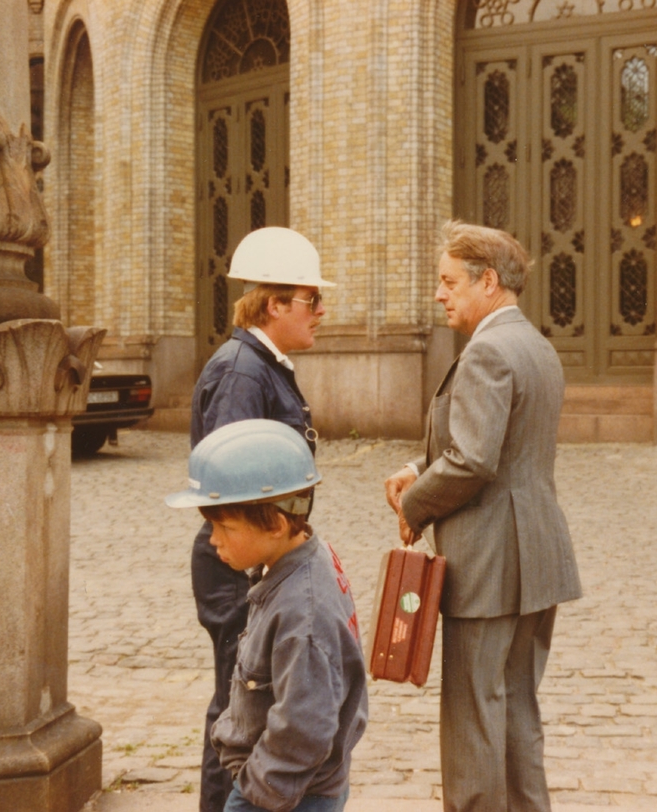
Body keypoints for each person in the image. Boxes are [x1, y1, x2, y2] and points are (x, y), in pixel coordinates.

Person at [383, 220, 582, 812]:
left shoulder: (488, 351)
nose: (440, 294)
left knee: (473, 723)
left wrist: (414, 506)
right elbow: (504, 446)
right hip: (535, 559)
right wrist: (421, 472)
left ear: (487, 282)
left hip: (489, 562)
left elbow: (473, 461)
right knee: (517, 710)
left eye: (448, 282)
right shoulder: (536, 346)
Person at [190, 227, 335, 812]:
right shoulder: (244, 372)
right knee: (238, 711)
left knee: (249, 703)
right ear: (274, 304)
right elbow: (235, 491)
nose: (321, 312)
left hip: (259, 554)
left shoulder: (259, 362)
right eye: (311, 300)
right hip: (238, 560)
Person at [167, 419, 368, 812]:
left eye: (224, 526)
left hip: (285, 794)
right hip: (285, 783)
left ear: (275, 525)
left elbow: (304, 728)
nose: (213, 540)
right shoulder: (295, 559)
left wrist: (252, 796)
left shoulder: (302, 614)